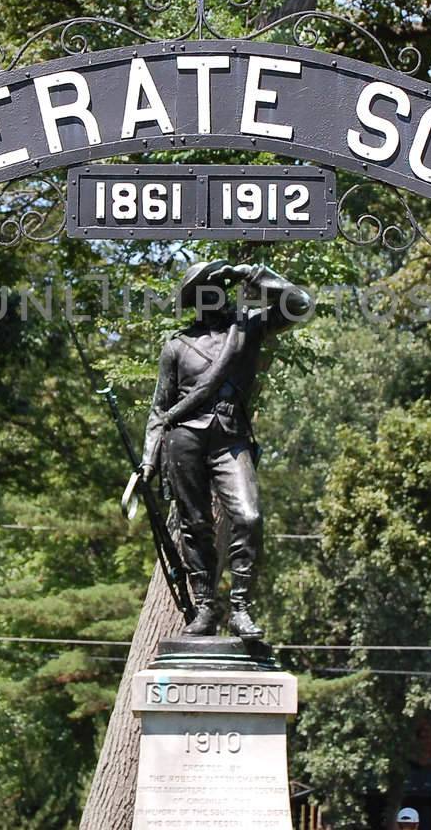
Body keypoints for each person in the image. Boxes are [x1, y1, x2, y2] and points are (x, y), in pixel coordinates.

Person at [141, 259, 312, 639]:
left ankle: (240, 608)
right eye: (204, 292)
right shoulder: (176, 345)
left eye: (218, 289)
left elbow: (300, 303)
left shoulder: (247, 329)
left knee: (249, 517)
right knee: (194, 525)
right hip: (183, 439)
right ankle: (205, 608)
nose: (213, 297)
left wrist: (254, 274)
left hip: (231, 436)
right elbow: (159, 408)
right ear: (195, 300)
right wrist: (148, 459)